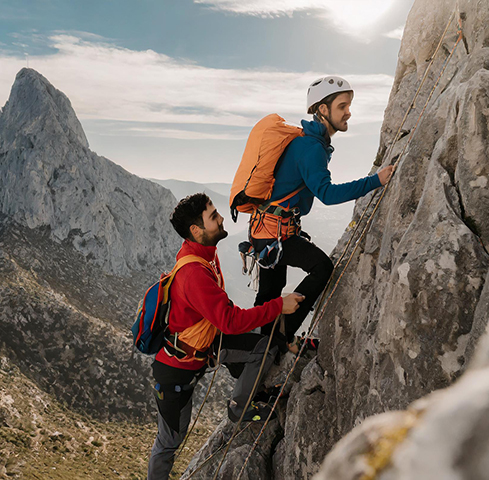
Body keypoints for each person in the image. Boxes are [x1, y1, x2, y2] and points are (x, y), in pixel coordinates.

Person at [147, 193, 303, 480]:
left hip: (202, 349)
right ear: (197, 231)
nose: (220, 219)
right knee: (169, 442)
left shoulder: (203, 255)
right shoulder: (194, 272)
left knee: (263, 345)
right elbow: (229, 321)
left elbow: (223, 315)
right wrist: (279, 305)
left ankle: (240, 406)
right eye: (213, 216)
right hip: (176, 372)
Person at [253, 76, 394, 352]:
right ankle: (277, 343)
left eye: (349, 105)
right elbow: (327, 194)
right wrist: (375, 181)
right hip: (274, 235)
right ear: (322, 109)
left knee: (269, 295)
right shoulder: (310, 148)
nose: (348, 112)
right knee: (321, 267)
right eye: (342, 106)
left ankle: (262, 352)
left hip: (267, 232)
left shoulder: (310, 143)